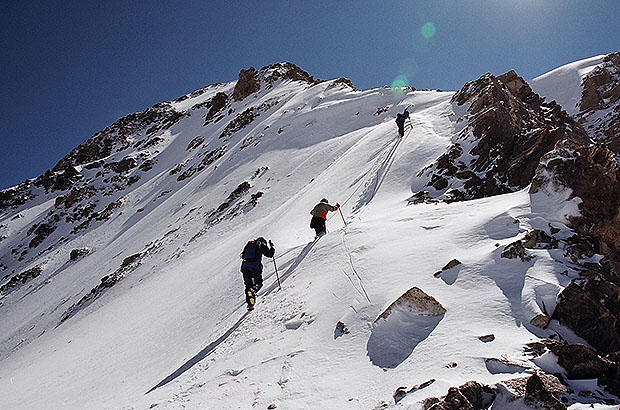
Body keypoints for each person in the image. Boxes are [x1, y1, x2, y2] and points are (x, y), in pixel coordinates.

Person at [240, 237, 275, 310]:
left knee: (248, 285)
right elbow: (270, 254)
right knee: (259, 283)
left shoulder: (249, 244)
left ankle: (250, 305)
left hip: (245, 267)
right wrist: (272, 247)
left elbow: (243, 255)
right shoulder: (261, 245)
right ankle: (253, 290)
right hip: (255, 267)